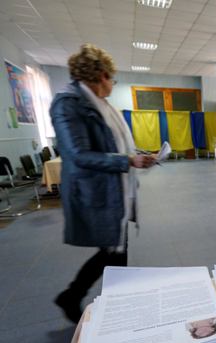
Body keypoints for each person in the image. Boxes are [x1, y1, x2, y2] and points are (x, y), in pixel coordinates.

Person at [50, 44, 156, 323]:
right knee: (113, 248)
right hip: (97, 188)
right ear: (100, 75)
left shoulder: (100, 104)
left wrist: (137, 156)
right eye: (112, 78)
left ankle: (85, 297)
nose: (112, 84)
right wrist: (128, 162)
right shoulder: (67, 104)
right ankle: (87, 298)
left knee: (115, 248)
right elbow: (78, 154)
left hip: (115, 187)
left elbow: (116, 144)